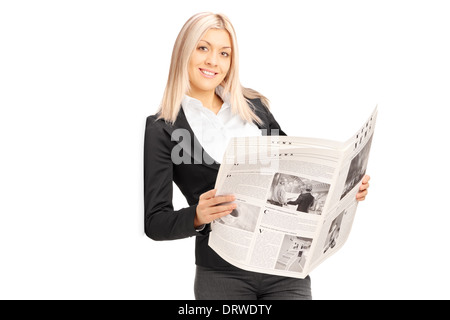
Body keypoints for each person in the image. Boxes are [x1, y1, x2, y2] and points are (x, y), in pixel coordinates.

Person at [144, 12, 371, 300]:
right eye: (203, 48)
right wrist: (197, 216)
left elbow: (299, 170)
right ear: (183, 52)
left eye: (224, 53)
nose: (214, 61)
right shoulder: (162, 129)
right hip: (221, 276)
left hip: (286, 273)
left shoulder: (254, 110)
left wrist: (347, 187)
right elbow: (155, 222)